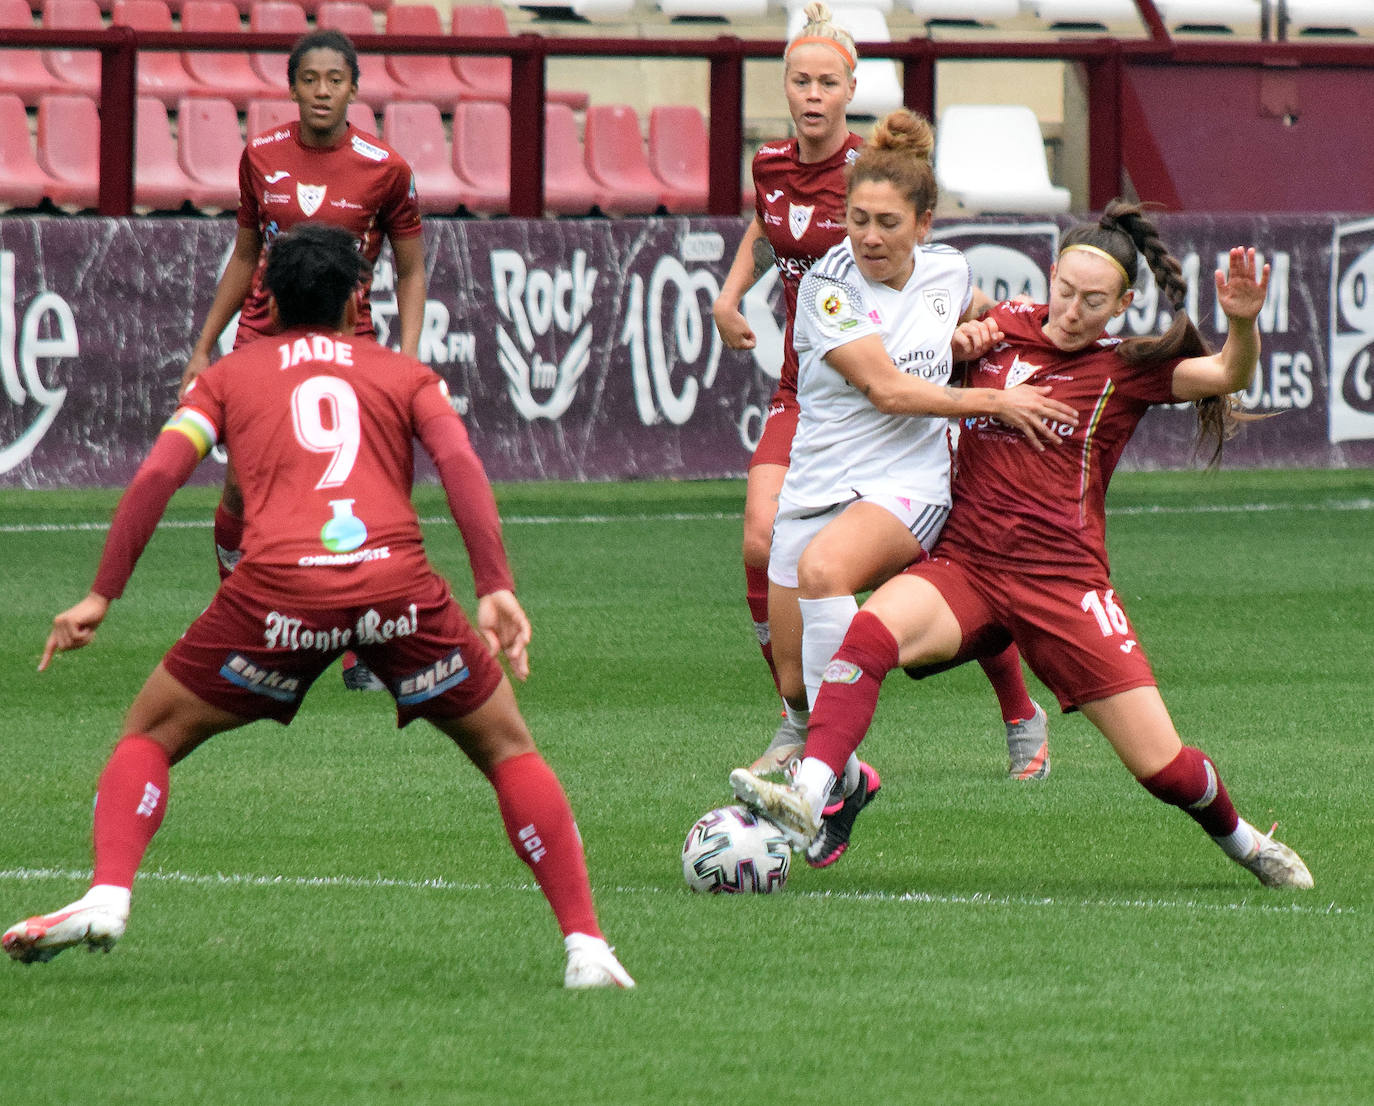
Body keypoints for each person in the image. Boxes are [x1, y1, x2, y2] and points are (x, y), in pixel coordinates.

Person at [4, 225, 636, 988]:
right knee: (508, 749)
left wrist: (102, 594)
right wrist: (495, 583)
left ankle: (108, 893)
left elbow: (156, 479)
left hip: (278, 593)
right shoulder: (404, 374)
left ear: (264, 299)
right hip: (396, 589)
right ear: (357, 298)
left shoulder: (229, 378)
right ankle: (588, 948)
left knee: (148, 733)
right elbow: (462, 465)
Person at [730, 202, 1314, 891]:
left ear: (1123, 304)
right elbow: (909, 339)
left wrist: (1242, 321)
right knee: (866, 635)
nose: (1071, 310)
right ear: (1049, 277)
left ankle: (1245, 842)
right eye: (1064, 290)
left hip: (1065, 587)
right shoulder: (999, 331)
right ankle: (814, 791)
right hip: (968, 568)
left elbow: (1227, 376)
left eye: (1093, 300)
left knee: (1163, 767)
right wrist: (954, 345)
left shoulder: (1124, 370)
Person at [712, 2, 1051, 785]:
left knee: (927, 576)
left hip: (890, 407)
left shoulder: (878, 174)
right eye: (800, 79)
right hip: (816, 390)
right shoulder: (770, 165)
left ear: (850, 87)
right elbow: (766, 230)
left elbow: (947, 295)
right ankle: (801, 722)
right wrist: (731, 295)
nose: (813, 93)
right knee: (764, 546)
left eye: (828, 80)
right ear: (785, 86)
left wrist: (977, 337)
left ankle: (856, 748)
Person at [762, 108, 1079, 868]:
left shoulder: (951, 271)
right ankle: (847, 774)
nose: (866, 237)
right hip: (820, 480)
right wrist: (994, 400)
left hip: (912, 481)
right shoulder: (827, 290)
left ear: (924, 225)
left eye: (885, 223)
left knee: (825, 574)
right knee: (792, 678)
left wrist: (972, 338)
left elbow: (967, 320)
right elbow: (889, 390)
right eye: (856, 219)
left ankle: (826, 788)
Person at [183, 28, 426, 693]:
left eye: (335, 80)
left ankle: (359, 645)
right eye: (310, 79)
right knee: (241, 487)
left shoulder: (387, 167)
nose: (322, 91)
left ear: (354, 87)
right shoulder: (260, 155)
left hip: (353, 346)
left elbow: (410, 270)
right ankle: (236, 609)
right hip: (262, 342)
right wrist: (205, 345)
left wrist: (405, 359)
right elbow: (243, 253)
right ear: (292, 87)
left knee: (366, 492)